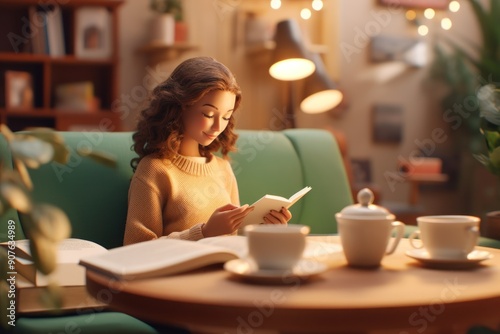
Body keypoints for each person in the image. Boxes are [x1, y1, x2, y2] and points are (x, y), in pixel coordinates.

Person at [124, 56, 292, 245]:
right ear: (179, 107)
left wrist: (269, 231)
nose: (218, 126)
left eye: (227, 117)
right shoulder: (154, 170)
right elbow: (136, 248)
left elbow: (232, 242)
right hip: (178, 274)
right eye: (208, 114)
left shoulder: (223, 169)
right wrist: (204, 232)